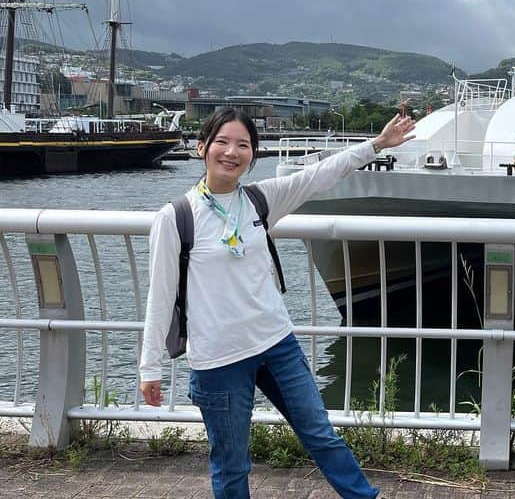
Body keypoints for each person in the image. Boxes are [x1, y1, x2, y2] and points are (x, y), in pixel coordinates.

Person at [139, 107, 415, 499]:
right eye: (222, 142)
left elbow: (318, 175)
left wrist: (376, 145)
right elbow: (161, 295)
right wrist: (150, 367)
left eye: (243, 145)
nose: (231, 152)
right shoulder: (176, 217)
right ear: (202, 148)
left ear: (254, 154)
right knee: (232, 464)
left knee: (321, 435)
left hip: (276, 344)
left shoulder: (259, 200)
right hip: (218, 360)